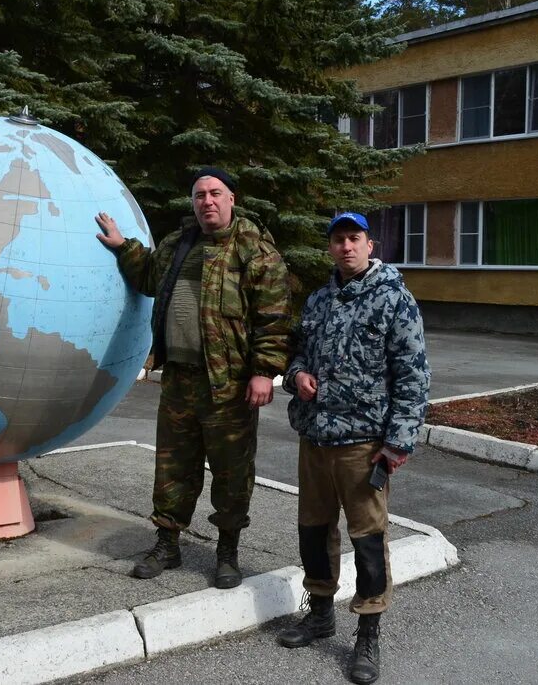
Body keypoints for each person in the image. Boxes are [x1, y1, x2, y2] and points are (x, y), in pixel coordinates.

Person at [95, 167, 292, 589]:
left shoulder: (255, 251)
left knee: (231, 472)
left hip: (230, 385)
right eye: (200, 194)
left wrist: (263, 372)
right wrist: (121, 247)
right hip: (180, 379)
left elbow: (273, 318)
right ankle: (167, 544)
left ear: (231, 199)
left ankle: (227, 551)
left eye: (215, 193)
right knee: (172, 467)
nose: (207, 201)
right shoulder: (177, 244)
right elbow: (150, 276)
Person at [278, 212, 430, 684]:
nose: (346, 247)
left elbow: (413, 375)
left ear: (370, 244)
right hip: (316, 438)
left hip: (362, 444)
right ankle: (320, 613)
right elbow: (298, 353)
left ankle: (368, 632)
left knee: (367, 539)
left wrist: (399, 441)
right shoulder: (320, 299)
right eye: (338, 240)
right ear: (330, 248)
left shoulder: (394, 300)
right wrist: (296, 375)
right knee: (313, 530)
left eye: (354, 239)